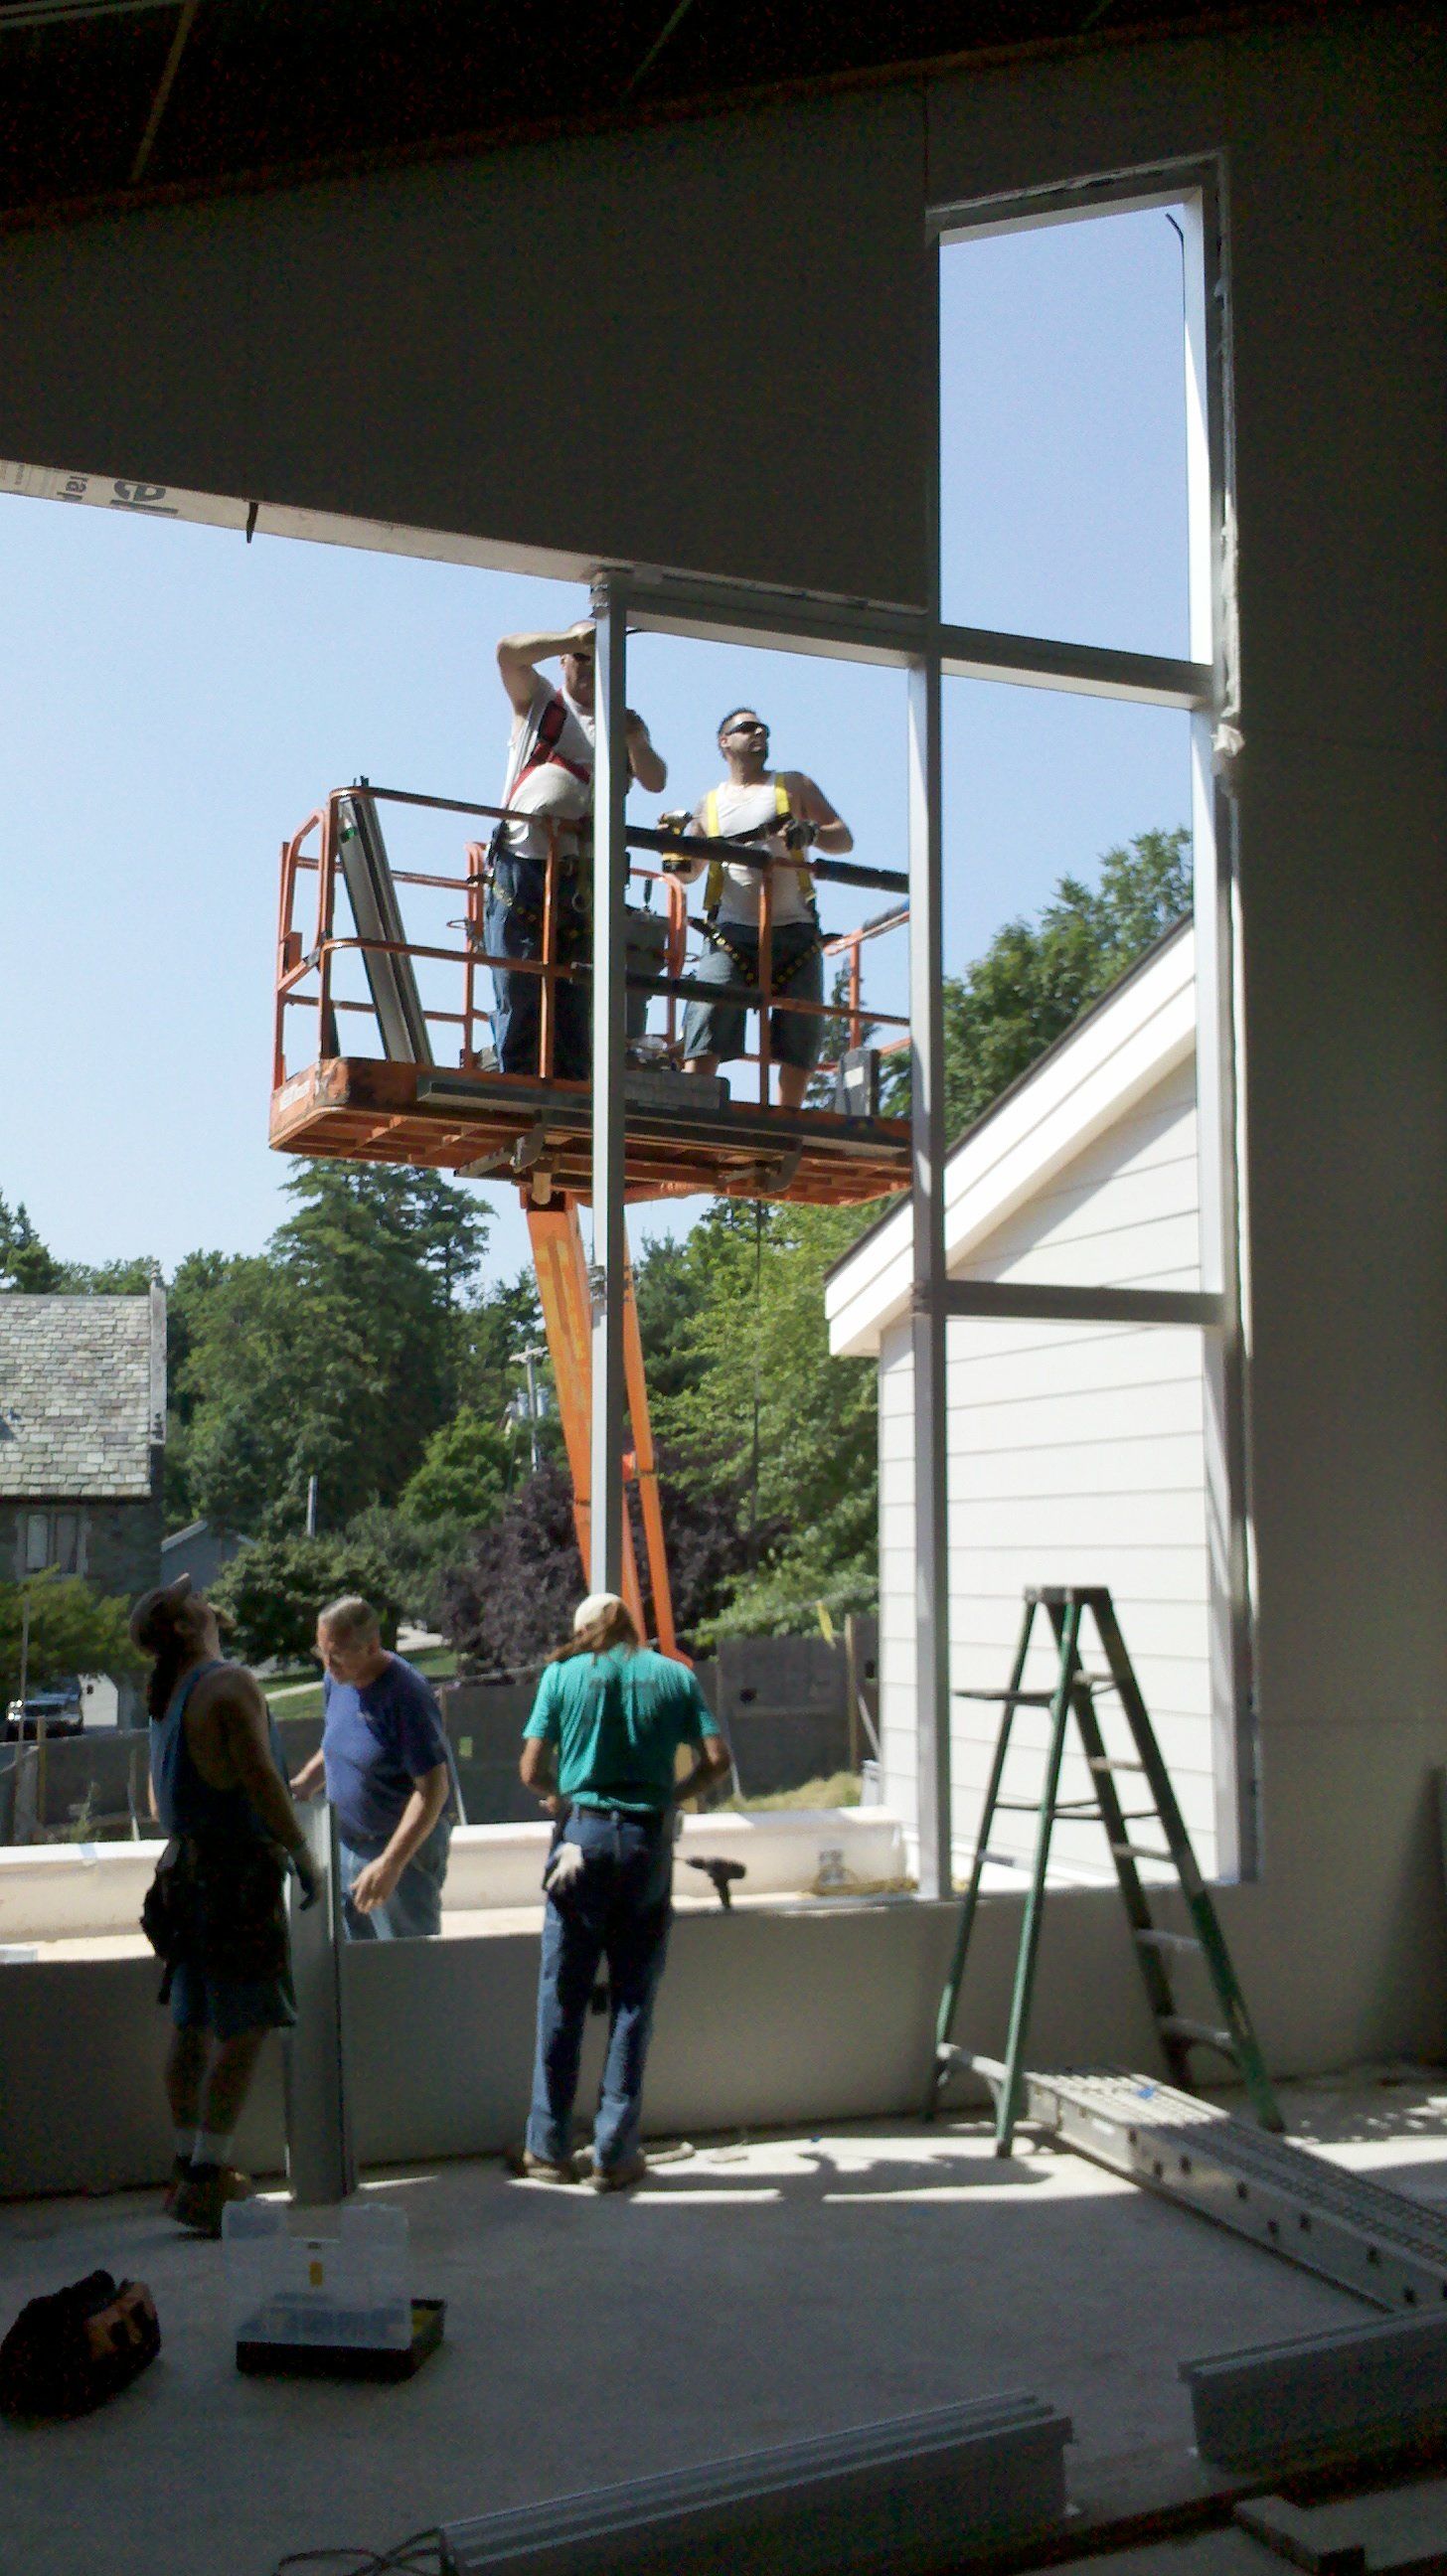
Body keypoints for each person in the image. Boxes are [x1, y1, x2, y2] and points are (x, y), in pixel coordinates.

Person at [519, 1592, 732, 2191]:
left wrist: (566, 1796)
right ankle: (614, 2153)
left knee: (562, 1994)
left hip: (578, 1844)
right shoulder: (672, 1676)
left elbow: (532, 1770)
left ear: (585, 1632)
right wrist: (670, 1793)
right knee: (634, 1997)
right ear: (634, 1627)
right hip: (646, 1845)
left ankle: (549, 2148)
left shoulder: (562, 1675)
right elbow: (717, 1759)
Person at [131, 1574, 320, 2239]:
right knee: (246, 2025)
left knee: (192, 2027)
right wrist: (299, 1852)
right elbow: (262, 1779)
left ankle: (186, 2167)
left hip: (183, 1876)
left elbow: (163, 1805)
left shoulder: (168, 1697)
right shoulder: (227, 1683)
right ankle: (211, 2181)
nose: (207, 1601)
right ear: (186, 1627)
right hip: (235, 1880)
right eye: (194, 1600)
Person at [485, 620, 667, 1079]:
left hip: (584, 875)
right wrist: (573, 639)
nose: (589, 666)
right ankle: (521, 1084)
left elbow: (655, 780)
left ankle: (569, 1087)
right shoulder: (542, 702)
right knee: (521, 982)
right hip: (523, 866)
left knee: (576, 991)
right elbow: (508, 651)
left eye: (599, 656)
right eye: (581, 657)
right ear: (564, 661)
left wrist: (631, 738)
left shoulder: (622, 722)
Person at [669, 707, 853, 1111]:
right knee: (705, 1022)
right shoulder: (710, 803)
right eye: (747, 728)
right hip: (731, 933)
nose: (759, 733)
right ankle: (693, 1116)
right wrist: (677, 854)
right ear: (725, 741)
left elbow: (844, 839)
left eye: (763, 728)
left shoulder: (794, 785)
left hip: (795, 931)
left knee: (799, 1036)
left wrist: (815, 833)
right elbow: (689, 872)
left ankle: (786, 1123)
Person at [290, 1596, 456, 1940]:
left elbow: (433, 1790)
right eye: (322, 1652)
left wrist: (391, 1863)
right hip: (347, 1843)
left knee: (404, 1963)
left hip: (400, 1853)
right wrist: (306, 1783)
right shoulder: (337, 1680)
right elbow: (339, 1740)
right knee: (357, 1968)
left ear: (372, 1646)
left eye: (336, 1655)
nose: (327, 1664)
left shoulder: (407, 1695)